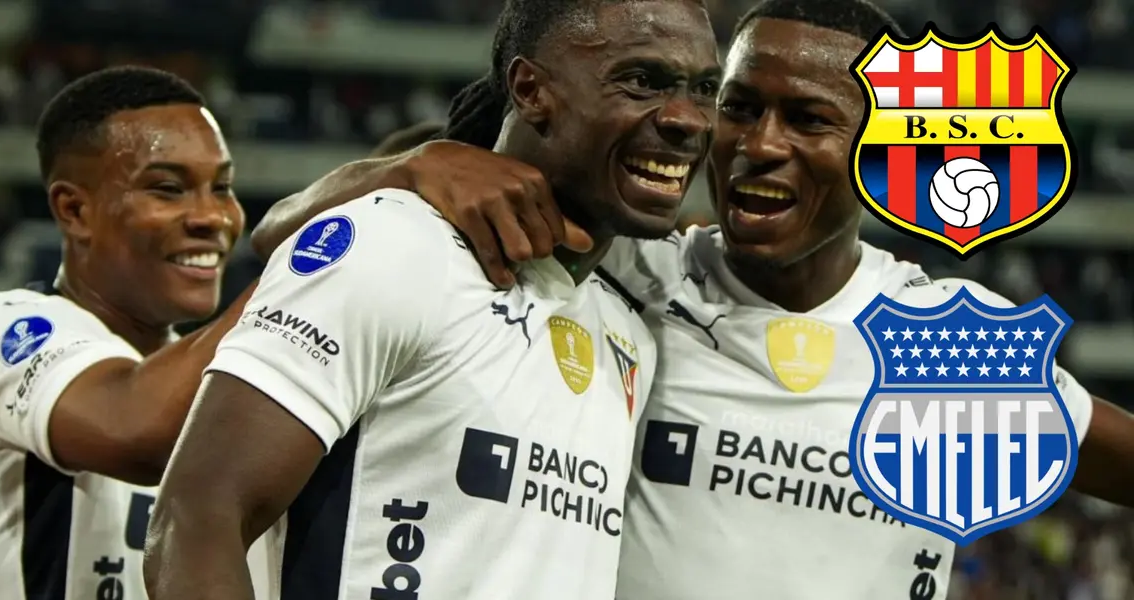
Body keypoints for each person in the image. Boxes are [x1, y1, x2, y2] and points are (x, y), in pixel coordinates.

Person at [246, 0, 1134, 598]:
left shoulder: (947, 345)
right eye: (739, 108)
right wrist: (406, 166)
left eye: (811, 120)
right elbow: (283, 231)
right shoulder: (631, 279)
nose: (758, 144)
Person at [142, 0, 721, 598]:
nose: (689, 119)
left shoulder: (629, 321)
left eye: (705, 90)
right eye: (642, 81)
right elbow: (196, 518)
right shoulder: (396, 245)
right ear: (531, 89)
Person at [0, 66, 271, 600]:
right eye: (169, 188)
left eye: (222, 187)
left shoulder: (195, 371)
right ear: (75, 210)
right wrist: (301, 279)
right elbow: (134, 430)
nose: (213, 216)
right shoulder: (9, 326)